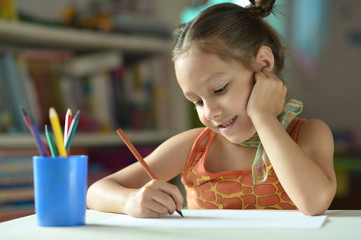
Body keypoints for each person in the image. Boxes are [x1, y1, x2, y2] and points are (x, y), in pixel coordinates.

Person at [86, 0, 336, 217]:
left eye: (219, 89)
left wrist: (263, 115)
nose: (210, 112)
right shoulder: (193, 147)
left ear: (263, 64)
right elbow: (97, 192)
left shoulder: (309, 134)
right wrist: (131, 201)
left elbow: (313, 203)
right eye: (197, 101)